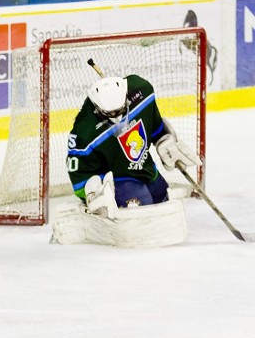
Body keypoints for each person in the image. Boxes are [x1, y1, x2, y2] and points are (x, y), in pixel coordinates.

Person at [52, 74, 202, 247]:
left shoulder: (142, 91)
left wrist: (164, 139)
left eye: (120, 110)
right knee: (142, 219)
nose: (116, 116)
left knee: (164, 203)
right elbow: (79, 177)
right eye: (109, 113)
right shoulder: (83, 132)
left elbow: (154, 124)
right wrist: (92, 193)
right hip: (119, 179)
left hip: (146, 169)